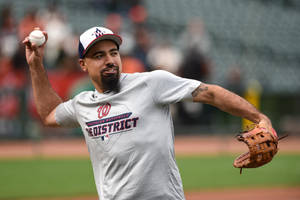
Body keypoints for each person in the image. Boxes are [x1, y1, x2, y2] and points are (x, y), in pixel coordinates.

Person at [23, 26, 276, 200]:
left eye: (113, 52)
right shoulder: (82, 103)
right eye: (98, 55)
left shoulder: (152, 83)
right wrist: (35, 65)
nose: (110, 60)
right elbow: (49, 114)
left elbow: (209, 92)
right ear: (83, 64)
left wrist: (259, 118)